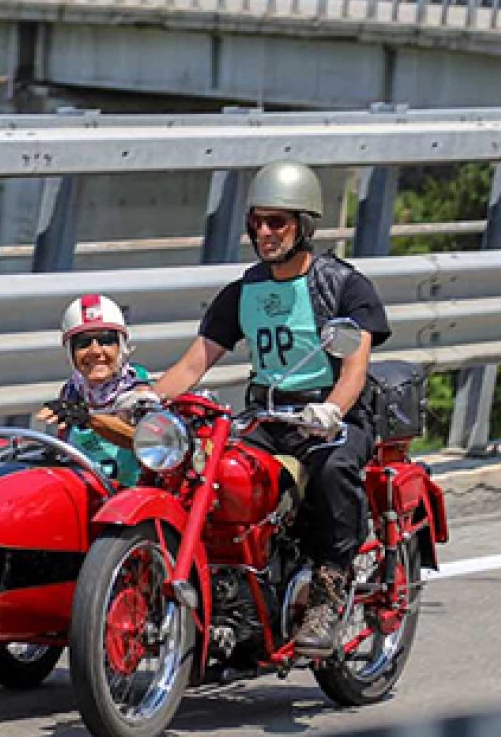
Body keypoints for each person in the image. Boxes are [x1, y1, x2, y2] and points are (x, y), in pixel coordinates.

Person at [151, 161, 391, 656]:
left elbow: (354, 371)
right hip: (266, 416)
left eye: (277, 222)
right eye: (257, 222)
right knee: (205, 471)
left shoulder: (343, 285)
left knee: (331, 470)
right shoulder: (244, 290)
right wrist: (148, 399)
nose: (264, 232)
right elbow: (195, 363)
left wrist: (330, 410)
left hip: (332, 417)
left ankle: (331, 586)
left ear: (304, 225)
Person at [35, 294, 152, 487]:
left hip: (132, 501)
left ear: (121, 346)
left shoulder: (138, 389)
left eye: (106, 340)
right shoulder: (71, 390)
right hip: (85, 493)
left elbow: (141, 440)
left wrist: (87, 418)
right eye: (83, 343)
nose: (95, 351)